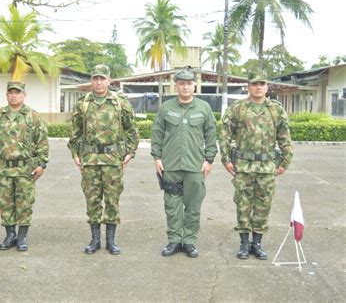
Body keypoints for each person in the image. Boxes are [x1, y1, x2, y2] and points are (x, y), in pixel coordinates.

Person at [219, 73, 293, 260]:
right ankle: (244, 243)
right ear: (248, 87)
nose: (258, 87)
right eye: (254, 84)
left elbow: (284, 136)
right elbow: (225, 134)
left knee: (263, 205)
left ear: (267, 87)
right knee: (242, 205)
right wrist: (226, 159)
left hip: (267, 167)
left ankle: (257, 243)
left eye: (262, 84)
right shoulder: (238, 109)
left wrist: (285, 161)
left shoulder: (275, 110)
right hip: (243, 167)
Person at [67, 65, 139, 255]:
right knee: (92, 200)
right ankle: (95, 240)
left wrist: (130, 153)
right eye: (95, 78)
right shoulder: (83, 103)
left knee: (112, 200)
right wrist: (75, 154)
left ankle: (111, 241)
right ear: (92, 81)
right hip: (90, 160)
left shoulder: (119, 102)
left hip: (113, 159)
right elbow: (74, 133)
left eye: (102, 79)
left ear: (109, 81)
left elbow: (132, 130)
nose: (98, 82)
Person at [151, 69, 217, 258]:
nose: (185, 86)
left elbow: (211, 134)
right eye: (181, 83)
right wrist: (157, 157)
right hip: (170, 165)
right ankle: (174, 241)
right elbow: (157, 133)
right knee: (172, 206)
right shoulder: (166, 107)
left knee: (193, 205)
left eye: (189, 83)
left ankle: (189, 241)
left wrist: (209, 159)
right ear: (176, 85)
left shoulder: (204, 108)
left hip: (195, 166)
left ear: (194, 85)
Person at [0, 81, 49, 251]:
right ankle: (10, 234)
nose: (14, 95)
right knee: (5, 203)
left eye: (17, 92)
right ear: (6, 95)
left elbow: (42, 142)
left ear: (24, 95)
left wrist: (42, 164)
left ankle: (22, 236)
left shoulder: (33, 116)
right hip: (3, 168)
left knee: (24, 203)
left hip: (25, 169)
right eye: (10, 92)